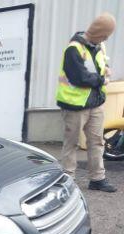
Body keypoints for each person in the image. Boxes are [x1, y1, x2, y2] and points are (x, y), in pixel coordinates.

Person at [56, 13, 117, 193]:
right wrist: (101, 80)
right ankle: (68, 179)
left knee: (96, 142)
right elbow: (79, 77)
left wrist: (105, 70)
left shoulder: (99, 47)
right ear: (101, 34)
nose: (106, 38)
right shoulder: (73, 49)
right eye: (106, 35)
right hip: (75, 106)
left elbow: (98, 67)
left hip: (95, 103)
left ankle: (97, 179)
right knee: (71, 143)